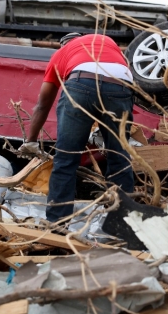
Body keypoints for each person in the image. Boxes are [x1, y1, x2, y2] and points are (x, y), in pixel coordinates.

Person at [18, 32, 134, 222]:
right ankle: (123, 224)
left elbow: (42, 105)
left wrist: (30, 141)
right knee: (120, 158)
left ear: (63, 45)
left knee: (66, 159)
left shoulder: (61, 54)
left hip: (81, 82)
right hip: (121, 83)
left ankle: (58, 224)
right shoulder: (106, 41)